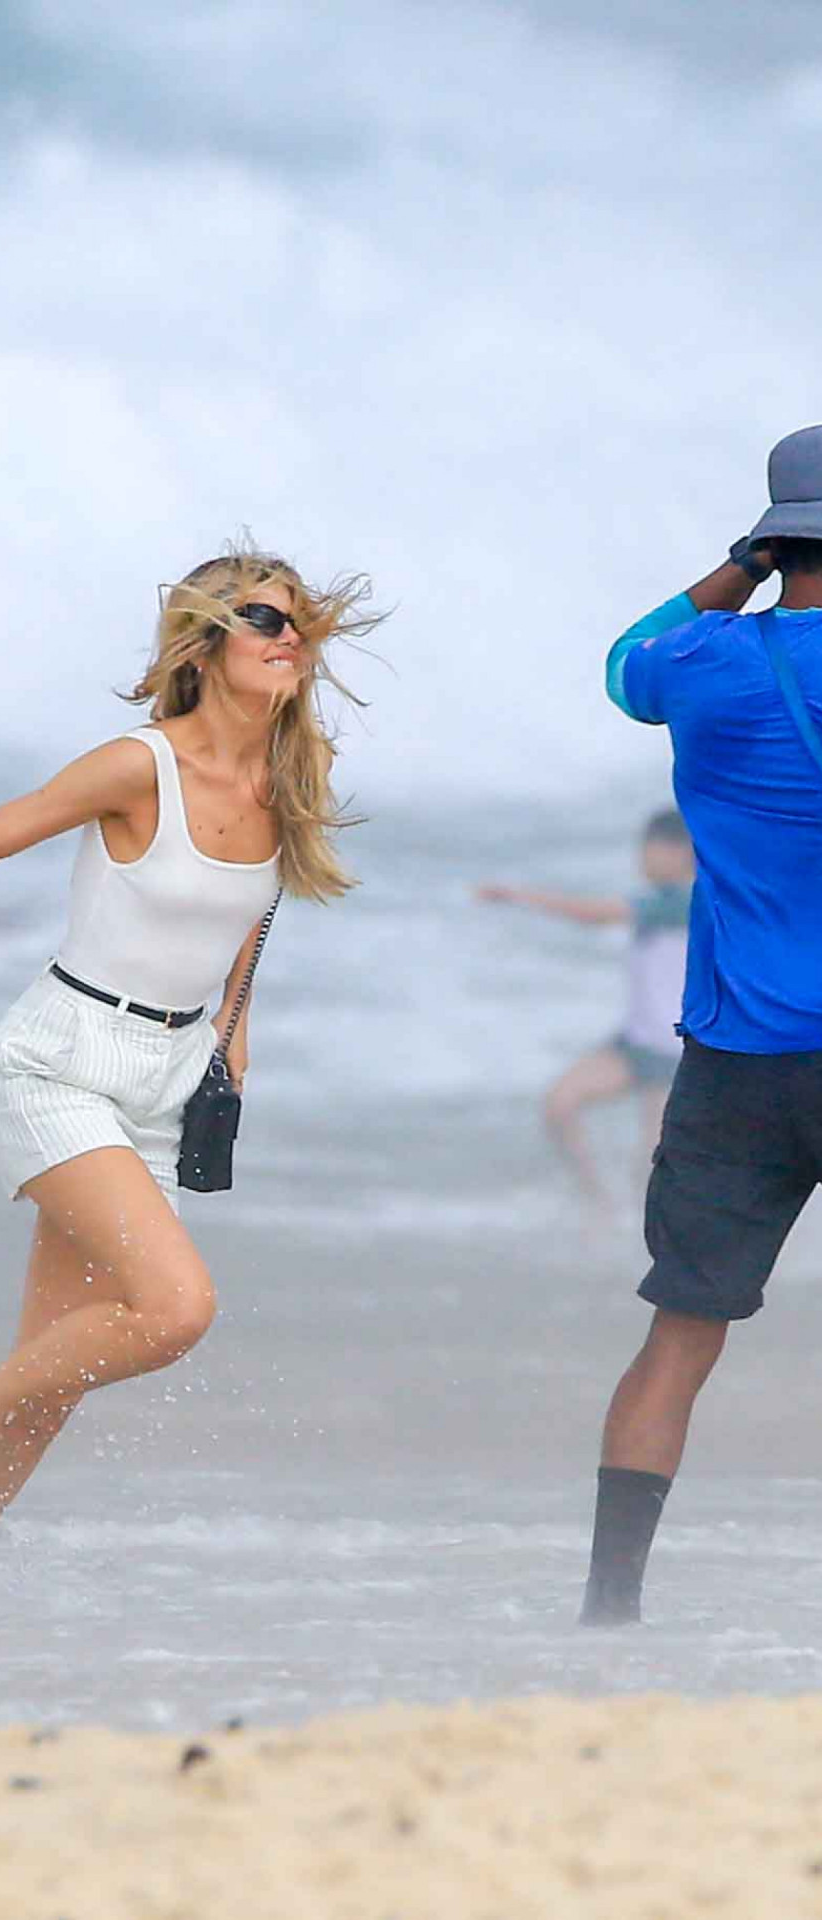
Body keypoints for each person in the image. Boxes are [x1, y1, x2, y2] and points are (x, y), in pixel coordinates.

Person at [0, 547, 379, 1604]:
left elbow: (242, 915)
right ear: (204, 643)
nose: (290, 639)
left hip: (166, 1074)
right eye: (263, 619)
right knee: (176, 1307)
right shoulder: (135, 765)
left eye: (299, 625)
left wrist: (234, 1040)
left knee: (48, 1388)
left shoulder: (290, 776)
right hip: (60, 1064)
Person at [581, 422, 822, 1626]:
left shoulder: (710, 664)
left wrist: (744, 563)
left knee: (681, 1341)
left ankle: (609, 1613)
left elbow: (628, 660)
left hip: (741, 1063)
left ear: (782, 540)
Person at [478, 812, 694, 1209]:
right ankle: (598, 1201)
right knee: (560, 1103)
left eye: (649, 849)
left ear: (681, 852)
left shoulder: (686, 902)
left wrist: (519, 896)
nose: (642, 859)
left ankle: (646, 1250)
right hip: (636, 1042)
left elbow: (592, 914)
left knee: (651, 1164)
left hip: (674, 1053)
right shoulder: (665, 901)